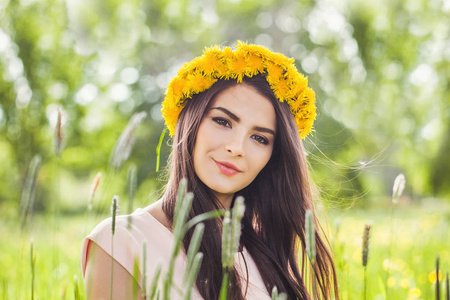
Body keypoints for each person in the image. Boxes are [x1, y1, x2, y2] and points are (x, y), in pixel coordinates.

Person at [81, 41, 339, 299]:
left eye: (260, 138)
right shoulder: (121, 241)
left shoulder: (267, 253)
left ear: (273, 156)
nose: (237, 148)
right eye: (222, 121)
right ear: (190, 120)